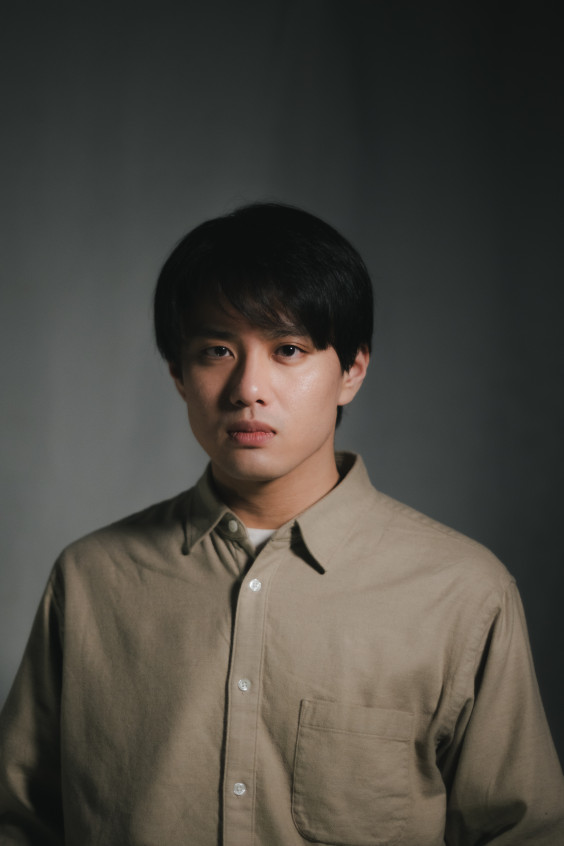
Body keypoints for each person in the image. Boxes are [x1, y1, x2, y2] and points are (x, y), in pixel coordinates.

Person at [0, 202, 563, 846]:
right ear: (178, 375)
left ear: (352, 370)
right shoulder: (91, 579)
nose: (248, 388)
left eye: (288, 349)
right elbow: (20, 821)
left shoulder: (462, 592)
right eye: (216, 350)